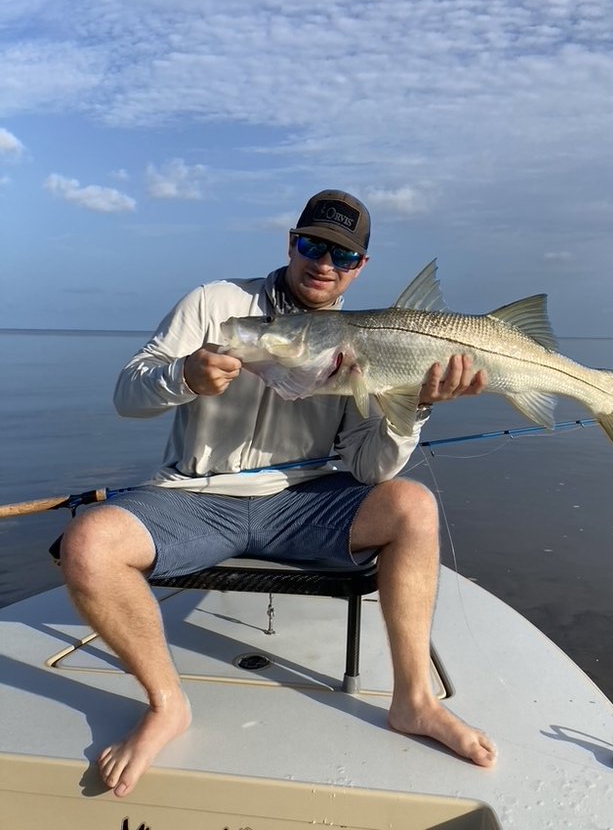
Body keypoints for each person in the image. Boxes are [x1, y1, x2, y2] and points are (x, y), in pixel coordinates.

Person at [59, 189, 497, 799]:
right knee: (87, 544)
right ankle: (166, 703)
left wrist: (415, 406)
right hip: (196, 495)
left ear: (360, 267)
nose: (324, 263)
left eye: (342, 255)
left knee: (412, 506)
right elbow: (127, 393)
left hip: (307, 501)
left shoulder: (362, 337)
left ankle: (414, 702)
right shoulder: (216, 304)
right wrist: (183, 376)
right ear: (290, 242)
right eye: (312, 244)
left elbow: (369, 468)